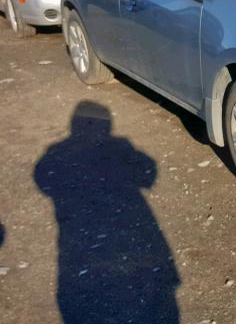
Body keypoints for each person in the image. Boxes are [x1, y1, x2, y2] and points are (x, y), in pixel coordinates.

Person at [34, 101, 180, 323]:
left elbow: (42, 177)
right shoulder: (120, 147)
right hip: (121, 240)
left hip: (79, 246)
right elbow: (148, 173)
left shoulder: (56, 152)